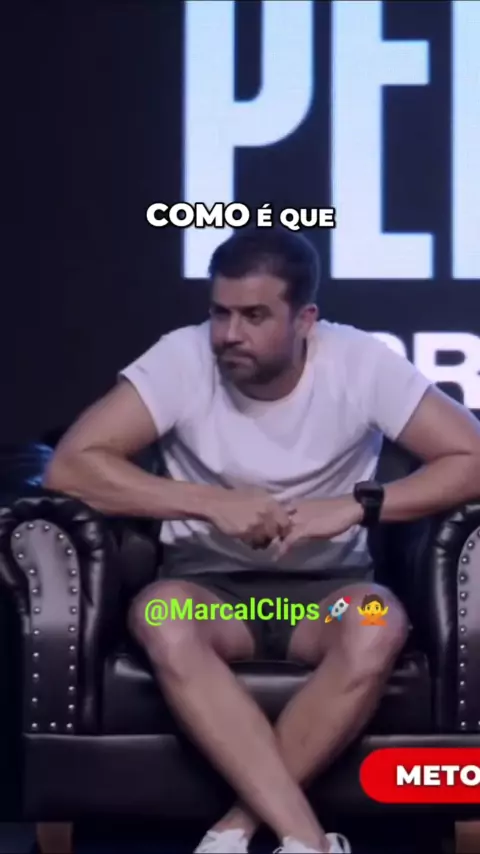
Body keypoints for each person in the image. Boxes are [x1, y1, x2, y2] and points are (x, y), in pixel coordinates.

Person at [45, 226, 480, 854]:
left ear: (305, 319)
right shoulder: (181, 358)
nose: (229, 334)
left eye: (254, 316)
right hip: (210, 596)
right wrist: (209, 502)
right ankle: (307, 840)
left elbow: (471, 456)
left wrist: (357, 507)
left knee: (379, 622)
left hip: (326, 598)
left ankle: (237, 828)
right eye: (220, 313)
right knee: (163, 617)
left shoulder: (359, 362)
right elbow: (72, 466)